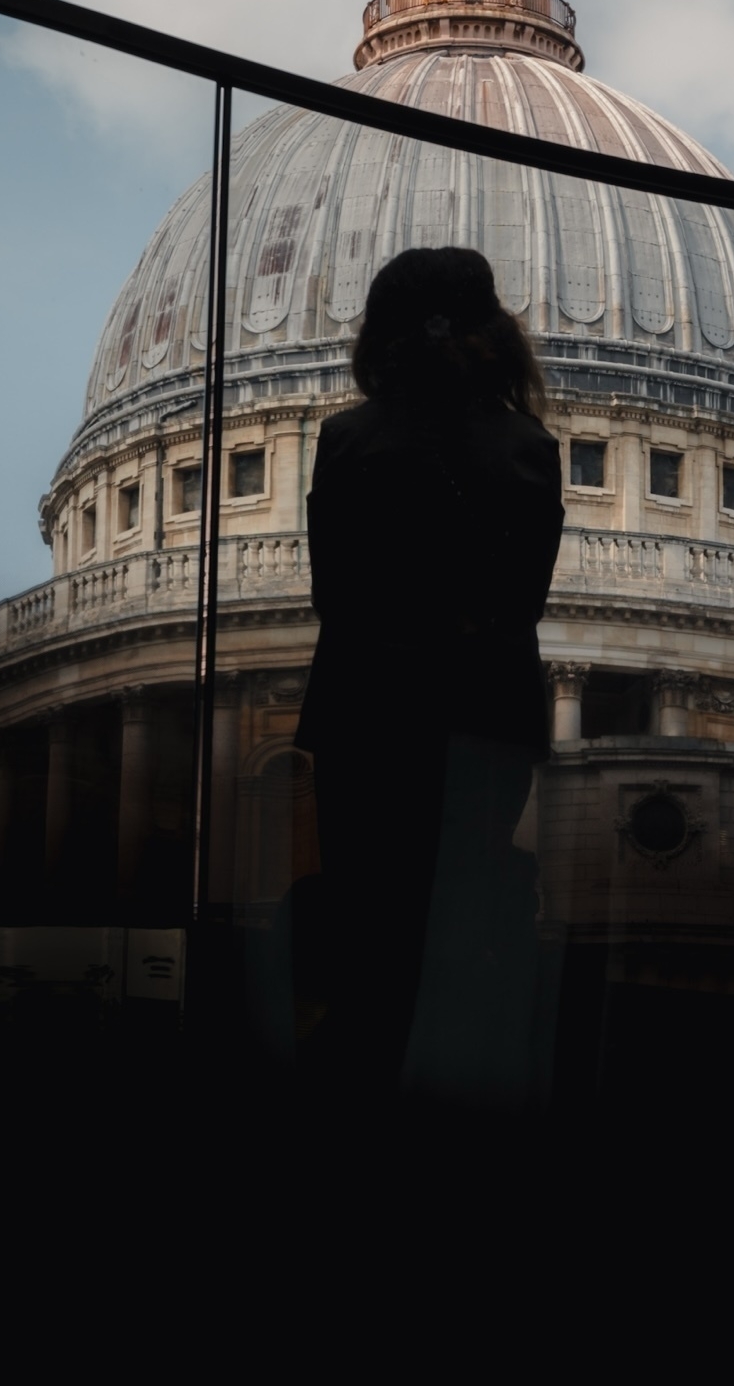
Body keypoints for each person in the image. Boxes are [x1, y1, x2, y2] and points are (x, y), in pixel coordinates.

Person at [294, 247, 565, 1103]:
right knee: (465, 924)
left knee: (371, 935)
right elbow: (523, 602)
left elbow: (333, 594)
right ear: (493, 331)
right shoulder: (527, 447)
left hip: (368, 719)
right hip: (483, 720)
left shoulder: (349, 438)